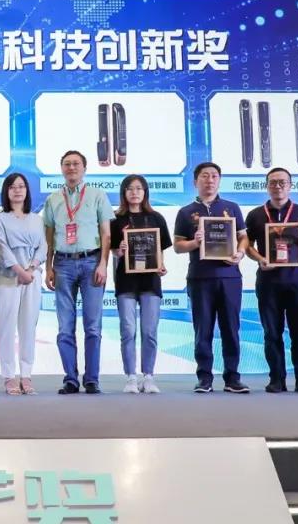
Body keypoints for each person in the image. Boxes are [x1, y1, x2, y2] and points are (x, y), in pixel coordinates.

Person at [173, 162, 250, 393]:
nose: (210, 180)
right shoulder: (185, 212)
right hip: (200, 278)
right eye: (204, 176)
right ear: (195, 181)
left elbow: (243, 237)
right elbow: (178, 246)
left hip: (229, 277)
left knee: (231, 328)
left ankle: (232, 377)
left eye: (214, 176)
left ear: (219, 180)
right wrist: (195, 243)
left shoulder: (231, 208)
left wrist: (240, 253)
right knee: (202, 329)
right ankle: (204, 377)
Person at [244, 167, 298, 394]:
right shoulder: (255, 215)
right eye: (273, 182)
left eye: (282, 182)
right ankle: (276, 378)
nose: (278, 186)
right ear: (267, 186)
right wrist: (260, 259)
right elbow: (247, 246)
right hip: (268, 282)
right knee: (272, 333)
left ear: (290, 185)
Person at [43, 150, 112, 394]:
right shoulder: (53, 199)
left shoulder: (97, 195)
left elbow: (106, 233)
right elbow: (49, 237)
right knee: (65, 327)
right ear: (62, 168)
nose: (71, 167)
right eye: (67, 164)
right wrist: (48, 267)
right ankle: (70, 378)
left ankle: (92, 379)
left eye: (76, 164)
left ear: (84, 168)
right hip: (62, 264)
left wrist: (103, 264)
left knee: (93, 326)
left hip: (91, 262)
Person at [109, 174, 172, 394]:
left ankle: (148, 376)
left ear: (145, 192)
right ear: (123, 193)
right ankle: (130, 377)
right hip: (126, 280)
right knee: (128, 330)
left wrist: (161, 266)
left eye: (139, 188)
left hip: (150, 280)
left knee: (149, 331)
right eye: (130, 188)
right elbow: (111, 250)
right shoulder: (115, 219)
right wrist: (119, 250)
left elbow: (160, 249)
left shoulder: (156, 218)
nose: (134, 192)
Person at [0, 173, 47, 395]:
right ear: (6, 191)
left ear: (27, 191)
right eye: (13, 187)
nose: (17, 190)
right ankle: (9, 376)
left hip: (32, 277)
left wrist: (31, 269)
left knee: (28, 326)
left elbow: (43, 247)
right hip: (8, 277)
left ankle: (26, 374)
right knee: (6, 326)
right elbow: (2, 247)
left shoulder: (36, 219)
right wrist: (19, 271)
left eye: (21, 186)